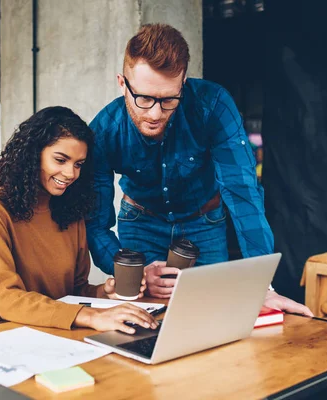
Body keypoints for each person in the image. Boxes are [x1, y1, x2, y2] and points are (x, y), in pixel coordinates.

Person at [86, 24, 312, 316]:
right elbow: (95, 222)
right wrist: (136, 272)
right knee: (140, 322)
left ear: (183, 84)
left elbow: (243, 192)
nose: (155, 114)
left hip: (204, 224)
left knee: (209, 318)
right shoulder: (105, 130)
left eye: (168, 100)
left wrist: (261, 287)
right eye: (143, 98)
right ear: (122, 83)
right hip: (141, 223)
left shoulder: (214, 106)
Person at [0, 106, 158, 334]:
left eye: (78, 164)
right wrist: (91, 316)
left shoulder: (70, 211)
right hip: (5, 333)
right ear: (32, 155)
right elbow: (7, 299)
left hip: (60, 332)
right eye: (60, 160)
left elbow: (75, 291)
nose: (71, 173)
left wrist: (104, 293)